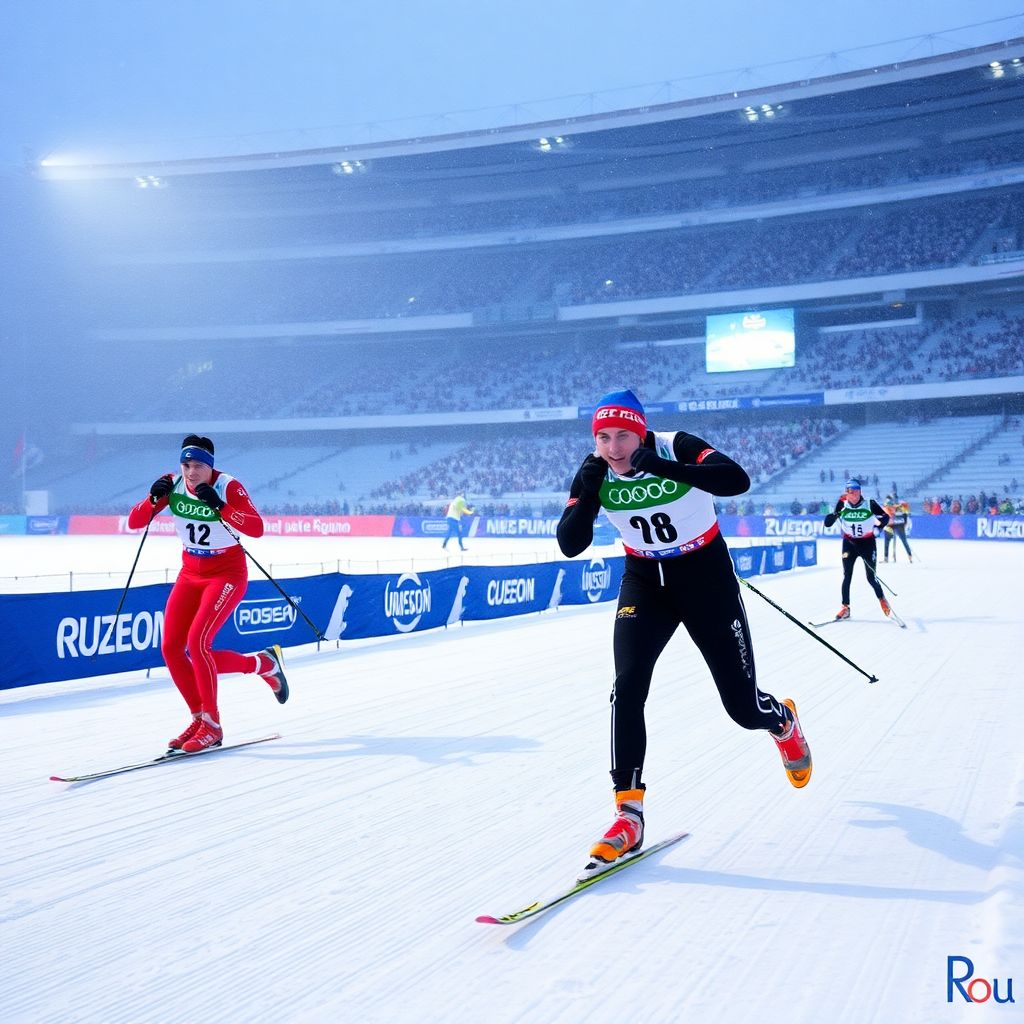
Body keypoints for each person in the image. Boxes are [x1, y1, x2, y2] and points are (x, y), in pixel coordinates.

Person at [557, 389, 811, 879]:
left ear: (642, 431)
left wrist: (662, 466)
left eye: (624, 436)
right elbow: (571, 543)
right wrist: (587, 497)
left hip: (705, 578)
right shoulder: (595, 467)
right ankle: (627, 815)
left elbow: (735, 479)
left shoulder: (676, 445)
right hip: (644, 581)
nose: (614, 448)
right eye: (604, 437)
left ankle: (781, 720)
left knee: (741, 707)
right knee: (627, 685)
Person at [127, 434, 289, 753]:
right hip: (190, 573)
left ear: (210, 466)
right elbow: (135, 521)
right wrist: (151, 499)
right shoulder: (172, 484)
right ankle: (204, 714)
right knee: (172, 648)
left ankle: (213, 727)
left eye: (198, 466)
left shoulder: (228, 486)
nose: (190, 473)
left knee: (197, 643)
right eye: (186, 465)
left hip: (226, 573)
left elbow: (256, 528)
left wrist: (221, 507)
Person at [823, 479, 891, 620]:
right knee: (847, 575)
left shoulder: (869, 504)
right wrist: (835, 515)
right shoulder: (842, 504)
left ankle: (882, 599)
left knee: (871, 578)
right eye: (849, 492)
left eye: (854, 491)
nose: (852, 495)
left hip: (867, 543)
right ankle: (845, 607)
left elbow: (886, 517)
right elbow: (828, 523)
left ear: (860, 491)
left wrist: (878, 528)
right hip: (849, 543)